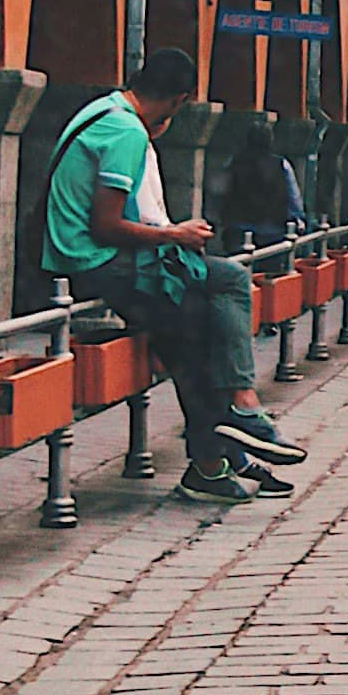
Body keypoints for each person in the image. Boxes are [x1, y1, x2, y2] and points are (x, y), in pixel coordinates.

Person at [40, 53, 307, 506]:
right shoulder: (126, 131)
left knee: (219, 291)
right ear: (178, 100)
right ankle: (228, 437)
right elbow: (105, 225)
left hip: (93, 258)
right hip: (97, 262)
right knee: (201, 323)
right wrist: (174, 234)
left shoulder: (105, 110)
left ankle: (226, 440)